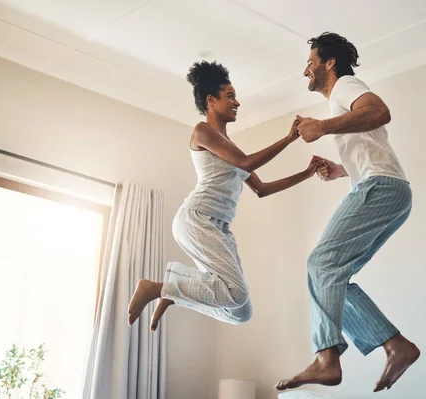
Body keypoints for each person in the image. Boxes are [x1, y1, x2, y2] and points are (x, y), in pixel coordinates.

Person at [128, 61, 324, 330]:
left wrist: (306, 173)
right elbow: (246, 163)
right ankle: (157, 288)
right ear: (211, 100)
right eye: (230, 96)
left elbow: (262, 189)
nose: (237, 102)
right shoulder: (202, 131)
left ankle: (172, 293)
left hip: (219, 228)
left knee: (240, 311)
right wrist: (288, 139)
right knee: (235, 292)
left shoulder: (230, 147)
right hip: (198, 219)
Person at [276, 32, 420, 393]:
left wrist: (322, 127)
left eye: (311, 62)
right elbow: (371, 145)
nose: (305, 69)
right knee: (331, 275)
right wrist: (341, 168)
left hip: (380, 187)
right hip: (388, 189)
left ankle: (327, 359)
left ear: (330, 62)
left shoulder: (345, 85)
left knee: (321, 263)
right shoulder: (341, 98)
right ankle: (394, 345)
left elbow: (379, 111)